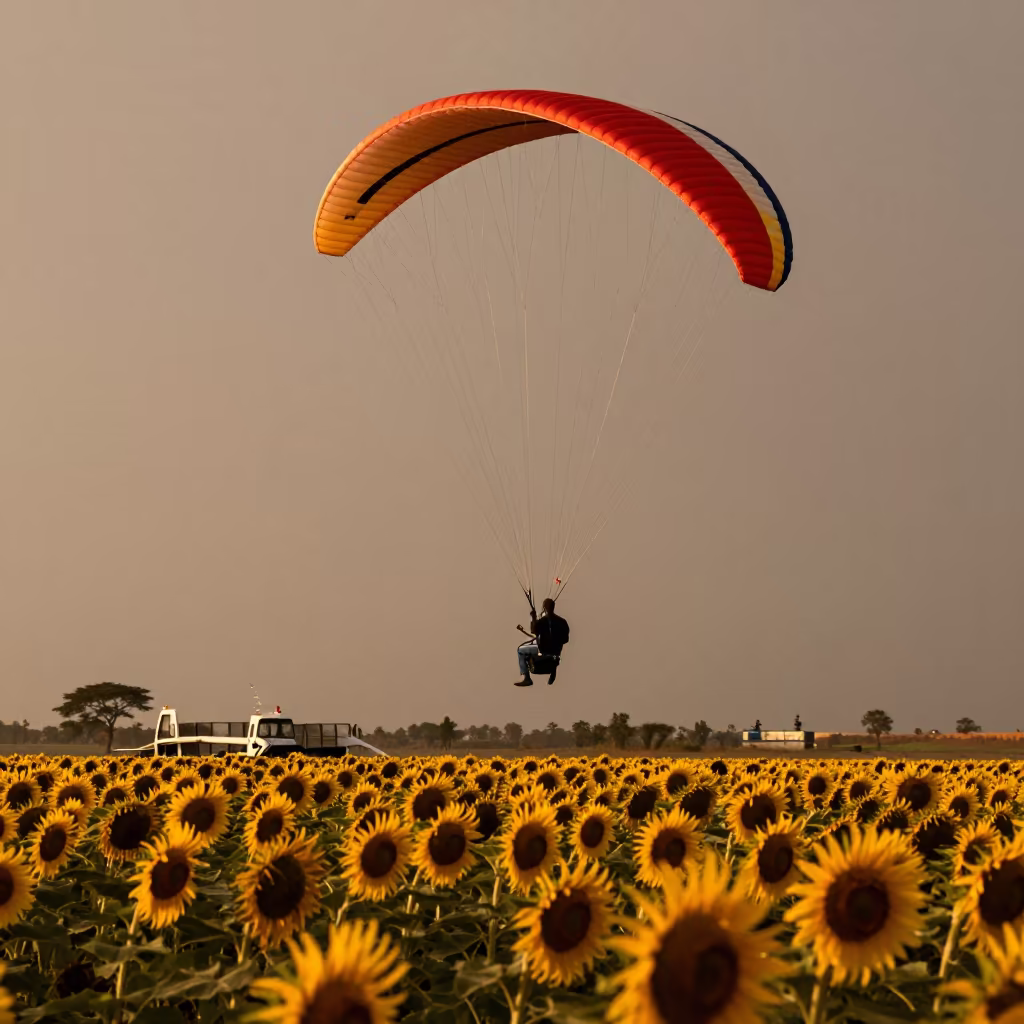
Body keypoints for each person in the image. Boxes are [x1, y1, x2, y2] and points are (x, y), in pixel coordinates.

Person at [514, 597, 569, 687]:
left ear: (544, 608)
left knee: (521, 650)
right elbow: (566, 639)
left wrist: (533, 617)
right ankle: (553, 668)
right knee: (547, 651)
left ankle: (527, 678)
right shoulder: (563, 622)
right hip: (556, 653)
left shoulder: (542, 621)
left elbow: (533, 630)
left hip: (542, 651)